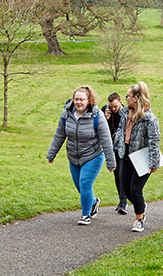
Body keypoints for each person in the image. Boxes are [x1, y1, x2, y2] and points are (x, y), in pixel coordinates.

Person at [46, 86, 116, 226]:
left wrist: (111, 162)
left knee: (85, 183)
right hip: (74, 156)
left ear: (89, 100)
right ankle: (94, 202)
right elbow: (60, 135)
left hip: (93, 155)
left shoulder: (97, 116)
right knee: (80, 187)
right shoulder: (67, 114)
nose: (78, 102)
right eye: (76, 99)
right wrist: (51, 153)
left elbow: (106, 140)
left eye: (81, 99)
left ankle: (85, 215)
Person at [113, 81, 160, 232]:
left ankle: (139, 219)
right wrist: (118, 143)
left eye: (128, 96)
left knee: (135, 189)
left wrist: (154, 163)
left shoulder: (150, 119)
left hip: (142, 158)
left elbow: (154, 141)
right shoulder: (124, 113)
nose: (126, 98)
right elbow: (120, 131)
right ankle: (141, 205)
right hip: (126, 155)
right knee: (125, 189)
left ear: (136, 98)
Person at [101, 92, 128, 215]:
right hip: (111, 149)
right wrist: (105, 119)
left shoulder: (126, 113)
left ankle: (124, 202)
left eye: (115, 106)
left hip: (123, 148)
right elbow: (100, 131)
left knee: (122, 174)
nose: (113, 109)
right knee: (117, 175)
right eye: (111, 106)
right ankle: (122, 201)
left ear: (121, 102)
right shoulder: (105, 111)